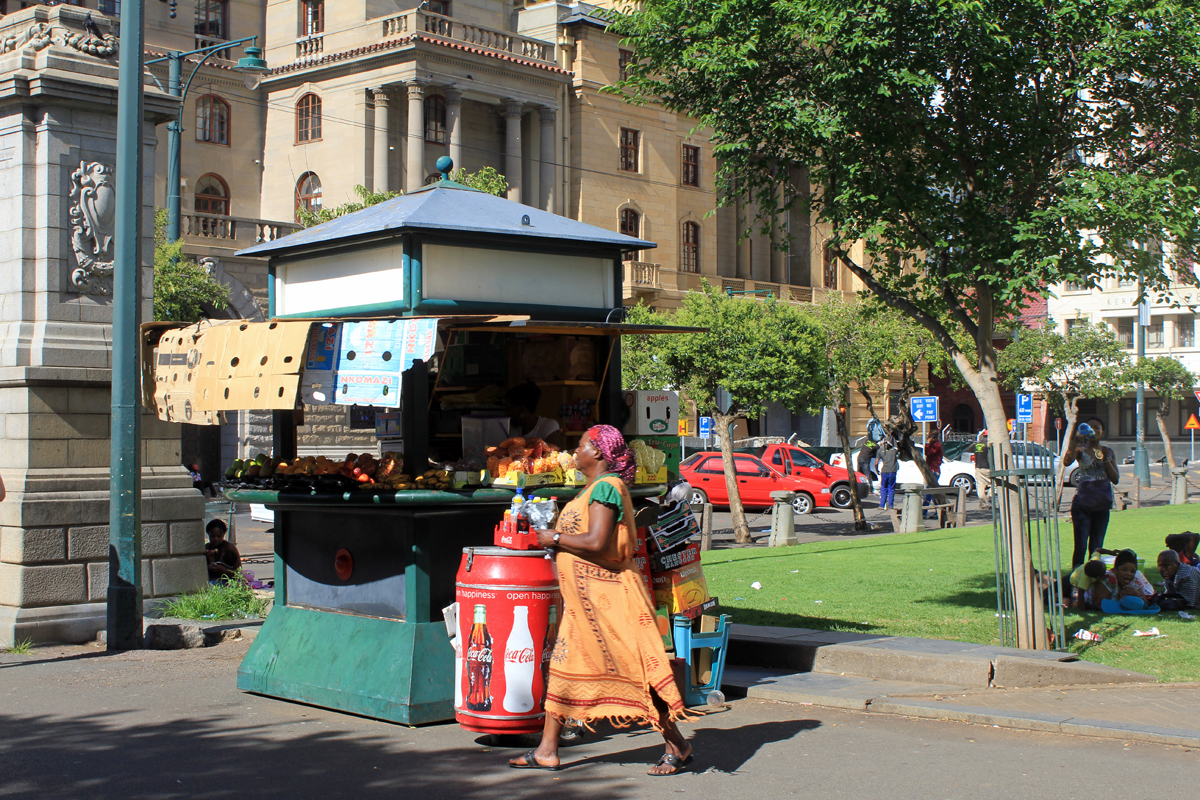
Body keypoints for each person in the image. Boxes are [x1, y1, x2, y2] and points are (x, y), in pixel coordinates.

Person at [510, 424, 692, 776]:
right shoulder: (592, 489)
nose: (575, 452)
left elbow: (596, 542)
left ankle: (678, 744)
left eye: (580, 446)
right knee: (563, 668)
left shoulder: (606, 488)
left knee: (637, 671)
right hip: (585, 605)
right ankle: (547, 750)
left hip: (611, 602)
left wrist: (554, 536)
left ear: (597, 452)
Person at [1062, 420, 1119, 568]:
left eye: (1097, 428)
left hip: (1102, 503)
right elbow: (1067, 462)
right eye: (1090, 427)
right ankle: (1077, 579)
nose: (1093, 430)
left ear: (1103, 432)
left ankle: (1094, 578)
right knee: (1080, 545)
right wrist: (1075, 440)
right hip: (1083, 502)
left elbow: (1115, 479)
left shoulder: (1108, 451)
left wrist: (1106, 460)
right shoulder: (1081, 449)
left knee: (1096, 546)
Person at [504, 381, 561, 448]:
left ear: (522, 410)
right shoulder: (513, 431)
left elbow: (551, 452)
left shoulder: (548, 425)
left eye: (509, 409)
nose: (506, 413)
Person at [205, 519, 240, 583]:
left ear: (223, 535)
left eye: (219, 536)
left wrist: (223, 570)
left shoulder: (230, 548)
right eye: (212, 536)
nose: (216, 539)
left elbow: (239, 573)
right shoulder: (207, 547)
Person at [922, 436, 944, 519]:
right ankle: (938, 510)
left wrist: (927, 443)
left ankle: (924, 511)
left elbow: (928, 453)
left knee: (929, 491)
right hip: (932, 470)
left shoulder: (936, 445)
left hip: (934, 470)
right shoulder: (935, 445)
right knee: (933, 492)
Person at [877, 440, 899, 510]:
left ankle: (881, 505)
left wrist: (877, 469)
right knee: (891, 488)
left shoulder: (880, 451)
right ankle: (890, 505)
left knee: (883, 488)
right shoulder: (894, 450)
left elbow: (876, 462)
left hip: (884, 471)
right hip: (892, 471)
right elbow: (898, 449)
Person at [973, 432, 991, 509]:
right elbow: (990, 457)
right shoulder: (989, 445)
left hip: (978, 467)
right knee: (996, 484)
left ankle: (983, 502)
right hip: (987, 468)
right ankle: (989, 497)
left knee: (980, 485)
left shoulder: (977, 445)